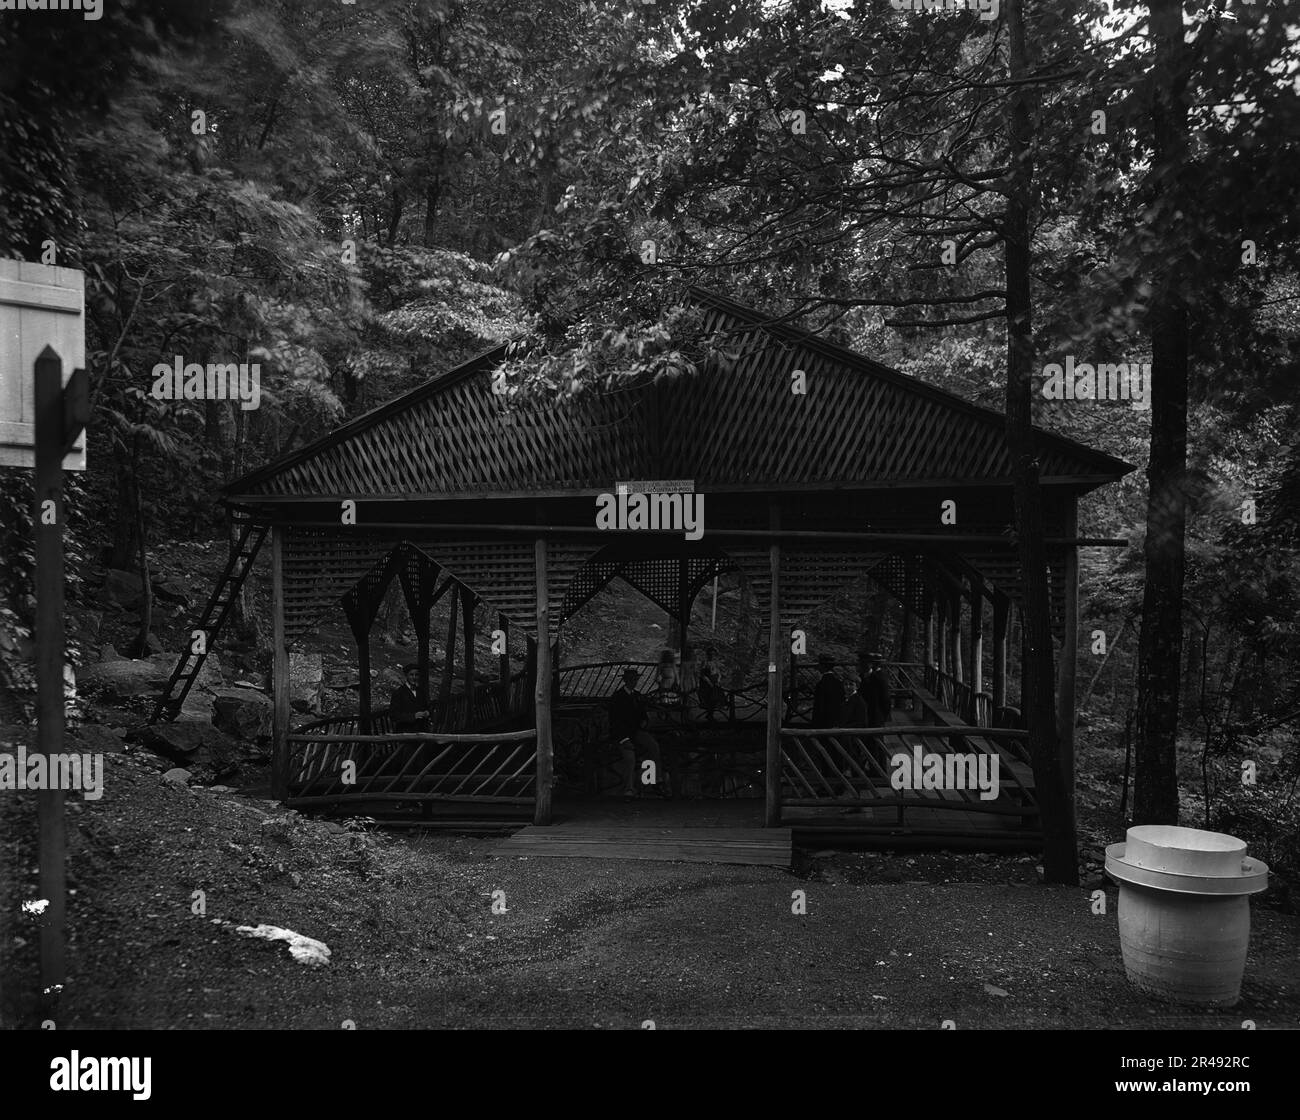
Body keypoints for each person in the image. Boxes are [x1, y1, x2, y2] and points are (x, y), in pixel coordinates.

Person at [609, 667, 669, 801]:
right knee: (630, 758)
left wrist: (644, 722)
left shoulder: (637, 696)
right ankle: (629, 790)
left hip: (636, 732)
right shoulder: (617, 697)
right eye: (631, 680)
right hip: (622, 735)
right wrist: (623, 739)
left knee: (654, 747)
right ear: (625, 681)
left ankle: (656, 780)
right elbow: (615, 722)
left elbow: (643, 715)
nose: (633, 682)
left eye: (635, 679)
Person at [389, 663, 430, 733]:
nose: (414, 677)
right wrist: (414, 716)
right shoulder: (398, 693)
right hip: (405, 732)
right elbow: (394, 716)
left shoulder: (421, 692)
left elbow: (426, 707)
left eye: (416, 675)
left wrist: (427, 712)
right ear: (406, 676)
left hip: (421, 731)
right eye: (411, 675)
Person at [810, 654, 844, 728]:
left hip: (823, 722)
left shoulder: (821, 684)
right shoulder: (839, 683)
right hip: (836, 721)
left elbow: (819, 707)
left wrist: (815, 724)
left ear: (822, 666)